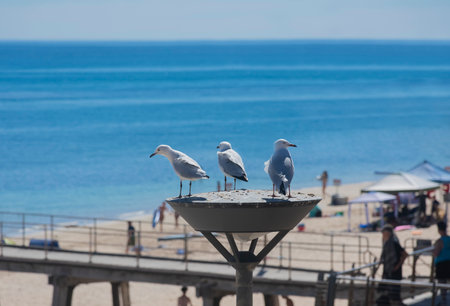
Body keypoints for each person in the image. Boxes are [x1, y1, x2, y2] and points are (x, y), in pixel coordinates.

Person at [378, 224, 408, 306]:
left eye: (384, 233)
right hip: (388, 272)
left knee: (395, 295)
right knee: (388, 294)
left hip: (395, 272)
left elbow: (405, 254)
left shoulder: (394, 242)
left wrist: (398, 265)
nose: (383, 235)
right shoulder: (386, 243)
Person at [433, 221, 450, 304]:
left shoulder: (440, 241)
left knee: (442, 283)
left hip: (442, 264)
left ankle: (444, 300)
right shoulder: (449, 239)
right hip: (448, 262)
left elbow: (436, 253)